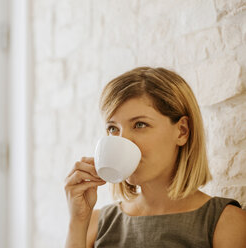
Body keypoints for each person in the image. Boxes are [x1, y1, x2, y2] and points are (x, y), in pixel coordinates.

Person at [64, 67, 246, 248]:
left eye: (140, 124)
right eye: (113, 128)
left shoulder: (225, 223)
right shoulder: (94, 224)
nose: (123, 140)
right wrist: (77, 222)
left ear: (182, 131)